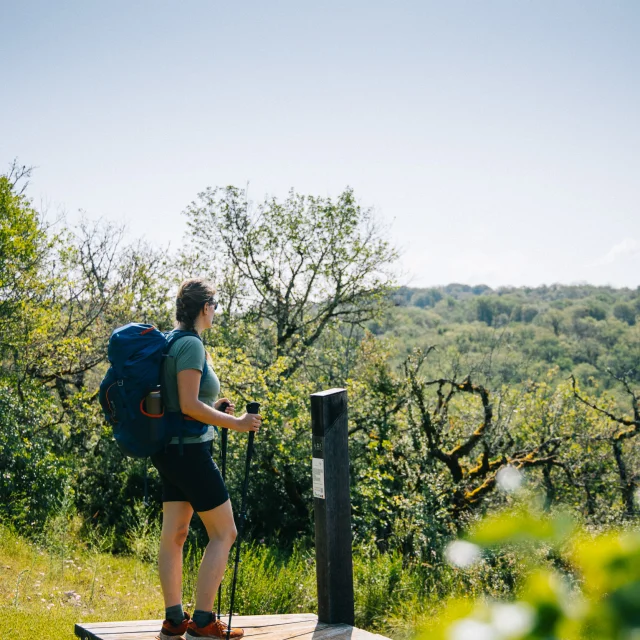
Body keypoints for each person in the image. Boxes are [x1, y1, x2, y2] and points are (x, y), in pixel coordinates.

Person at [151, 278, 261, 640]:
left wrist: (212, 410)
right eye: (214, 305)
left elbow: (181, 405)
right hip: (191, 454)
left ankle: (173, 621)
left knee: (176, 534)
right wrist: (237, 422)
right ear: (204, 308)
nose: (216, 312)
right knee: (224, 532)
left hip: (169, 450)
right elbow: (187, 404)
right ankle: (202, 621)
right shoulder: (192, 346)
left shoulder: (170, 341)